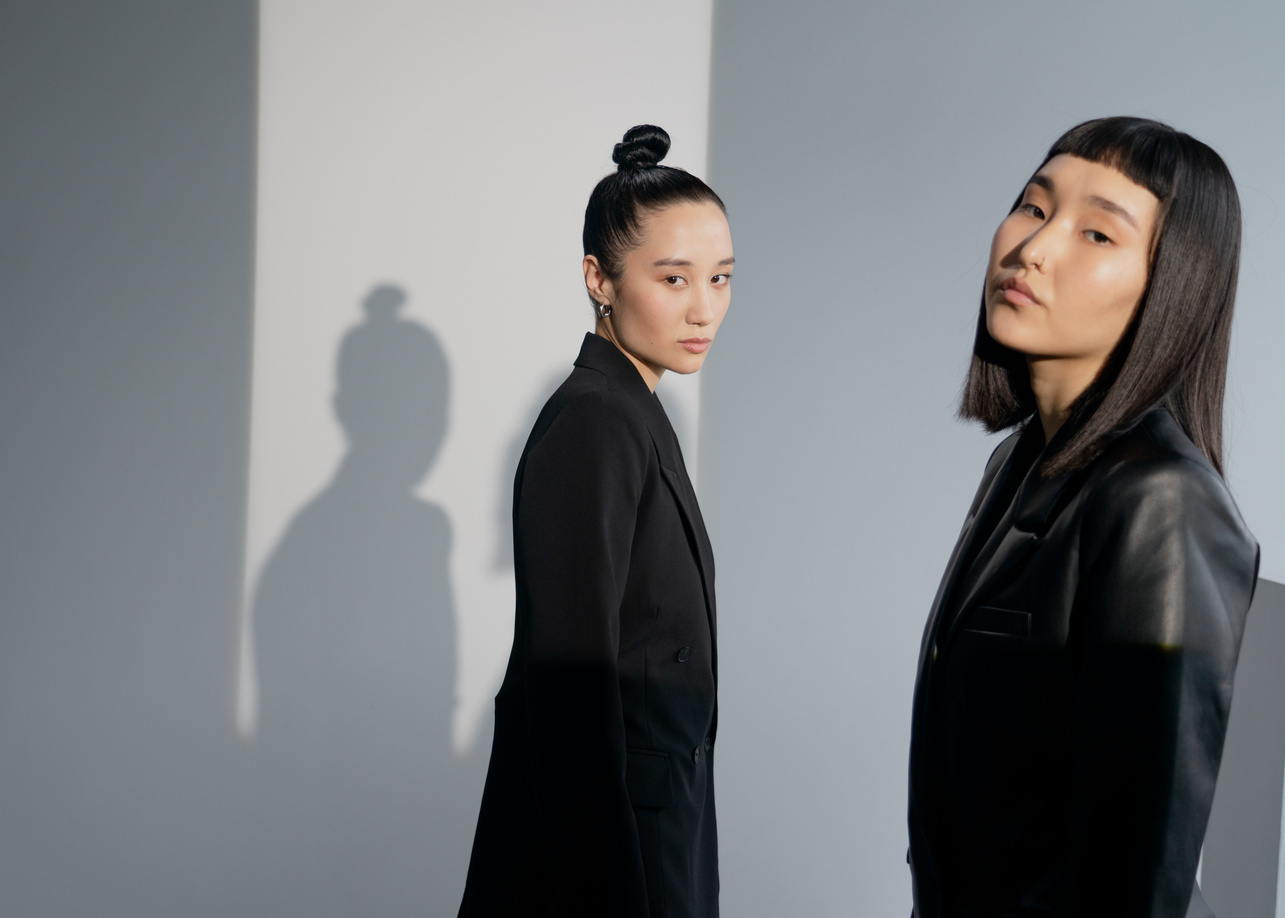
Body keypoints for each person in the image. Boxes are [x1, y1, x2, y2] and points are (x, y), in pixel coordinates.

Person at [907, 117, 1259, 918]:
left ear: (1170, 285)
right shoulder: (1020, 462)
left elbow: (1139, 867)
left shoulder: (1161, 502)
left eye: (1096, 232)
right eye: (1033, 208)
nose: (1032, 247)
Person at [458, 124, 733, 918]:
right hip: (614, 863)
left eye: (720, 278)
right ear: (599, 278)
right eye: (674, 279)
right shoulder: (596, 422)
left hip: (657, 830)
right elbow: (571, 691)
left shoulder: (631, 409)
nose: (704, 308)